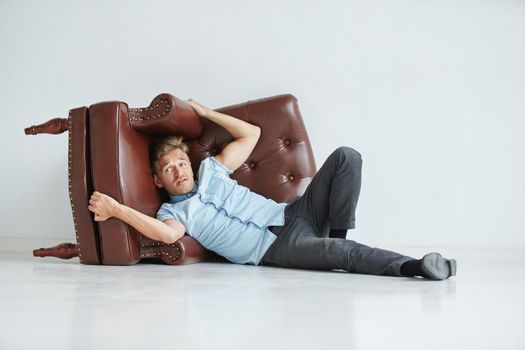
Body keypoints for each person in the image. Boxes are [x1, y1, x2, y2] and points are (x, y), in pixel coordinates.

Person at [88, 98, 457, 280]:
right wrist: (117, 209)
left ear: (190, 163)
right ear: (158, 181)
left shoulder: (213, 171)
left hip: (293, 213)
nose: (178, 170)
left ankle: (334, 240)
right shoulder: (174, 214)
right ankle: (415, 267)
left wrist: (203, 113)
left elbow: (251, 134)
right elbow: (164, 235)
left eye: (180, 162)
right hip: (276, 247)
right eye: (168, 169)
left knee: (347, 156)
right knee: (341, 252)